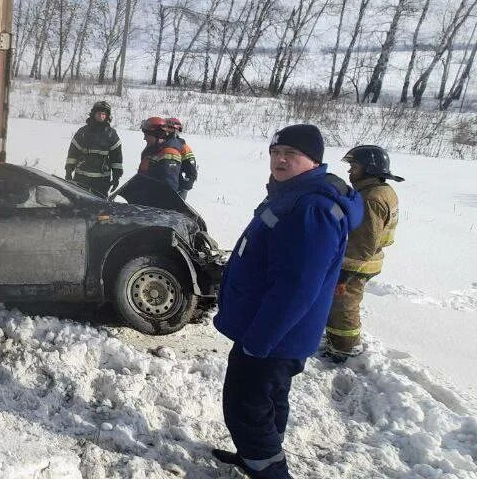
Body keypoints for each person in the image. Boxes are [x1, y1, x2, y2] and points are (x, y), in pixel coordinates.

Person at [212, 124, 363, 478]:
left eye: (291, 154)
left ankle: (269, 469)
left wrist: (259, 341)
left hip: (272, 336)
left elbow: (296, 287)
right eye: (276, 153)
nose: (280, 160)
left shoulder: (311, 208)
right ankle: (258, 457)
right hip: (273, 331)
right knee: (269, 400)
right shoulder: (295, 194)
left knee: (245, 406)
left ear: (313, 161)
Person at [324, 145, 403, 362]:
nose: (350, 171)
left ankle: (343, 348)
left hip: (356, 265)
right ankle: (341, 342)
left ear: (370, 168)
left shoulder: (371, 198)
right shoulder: (381, 190)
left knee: (343, 306)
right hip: (367, 261)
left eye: (354, 166)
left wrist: (343, 275)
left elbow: (363, 243)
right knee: (342, 304)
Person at [65, 101, 123, 196]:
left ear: (107, 116)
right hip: (81, 178)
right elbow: (73, 153)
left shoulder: (111, 134)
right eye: (99, 114)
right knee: (79, 204)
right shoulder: (83, 132)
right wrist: (68, 171)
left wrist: (116, 177)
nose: (101, 116)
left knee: (100, 207)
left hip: (102, 181)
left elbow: (117, 159)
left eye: (103, 114)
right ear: (93, 114)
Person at [138, 117, 197, 198]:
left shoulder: (171, 151)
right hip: (147, 195)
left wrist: (186, 184)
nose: (144, 138)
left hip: (163, 199)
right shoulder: (151, 149)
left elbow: (169, 187)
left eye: (147, 135)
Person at [166, 117, 198, 199]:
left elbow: (191, 167)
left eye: (170, 128)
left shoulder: (183, 147)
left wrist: (187, 184)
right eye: (166, 127)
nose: (167, 131)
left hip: (177, 188)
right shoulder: (158, 144)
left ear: (176, 131)